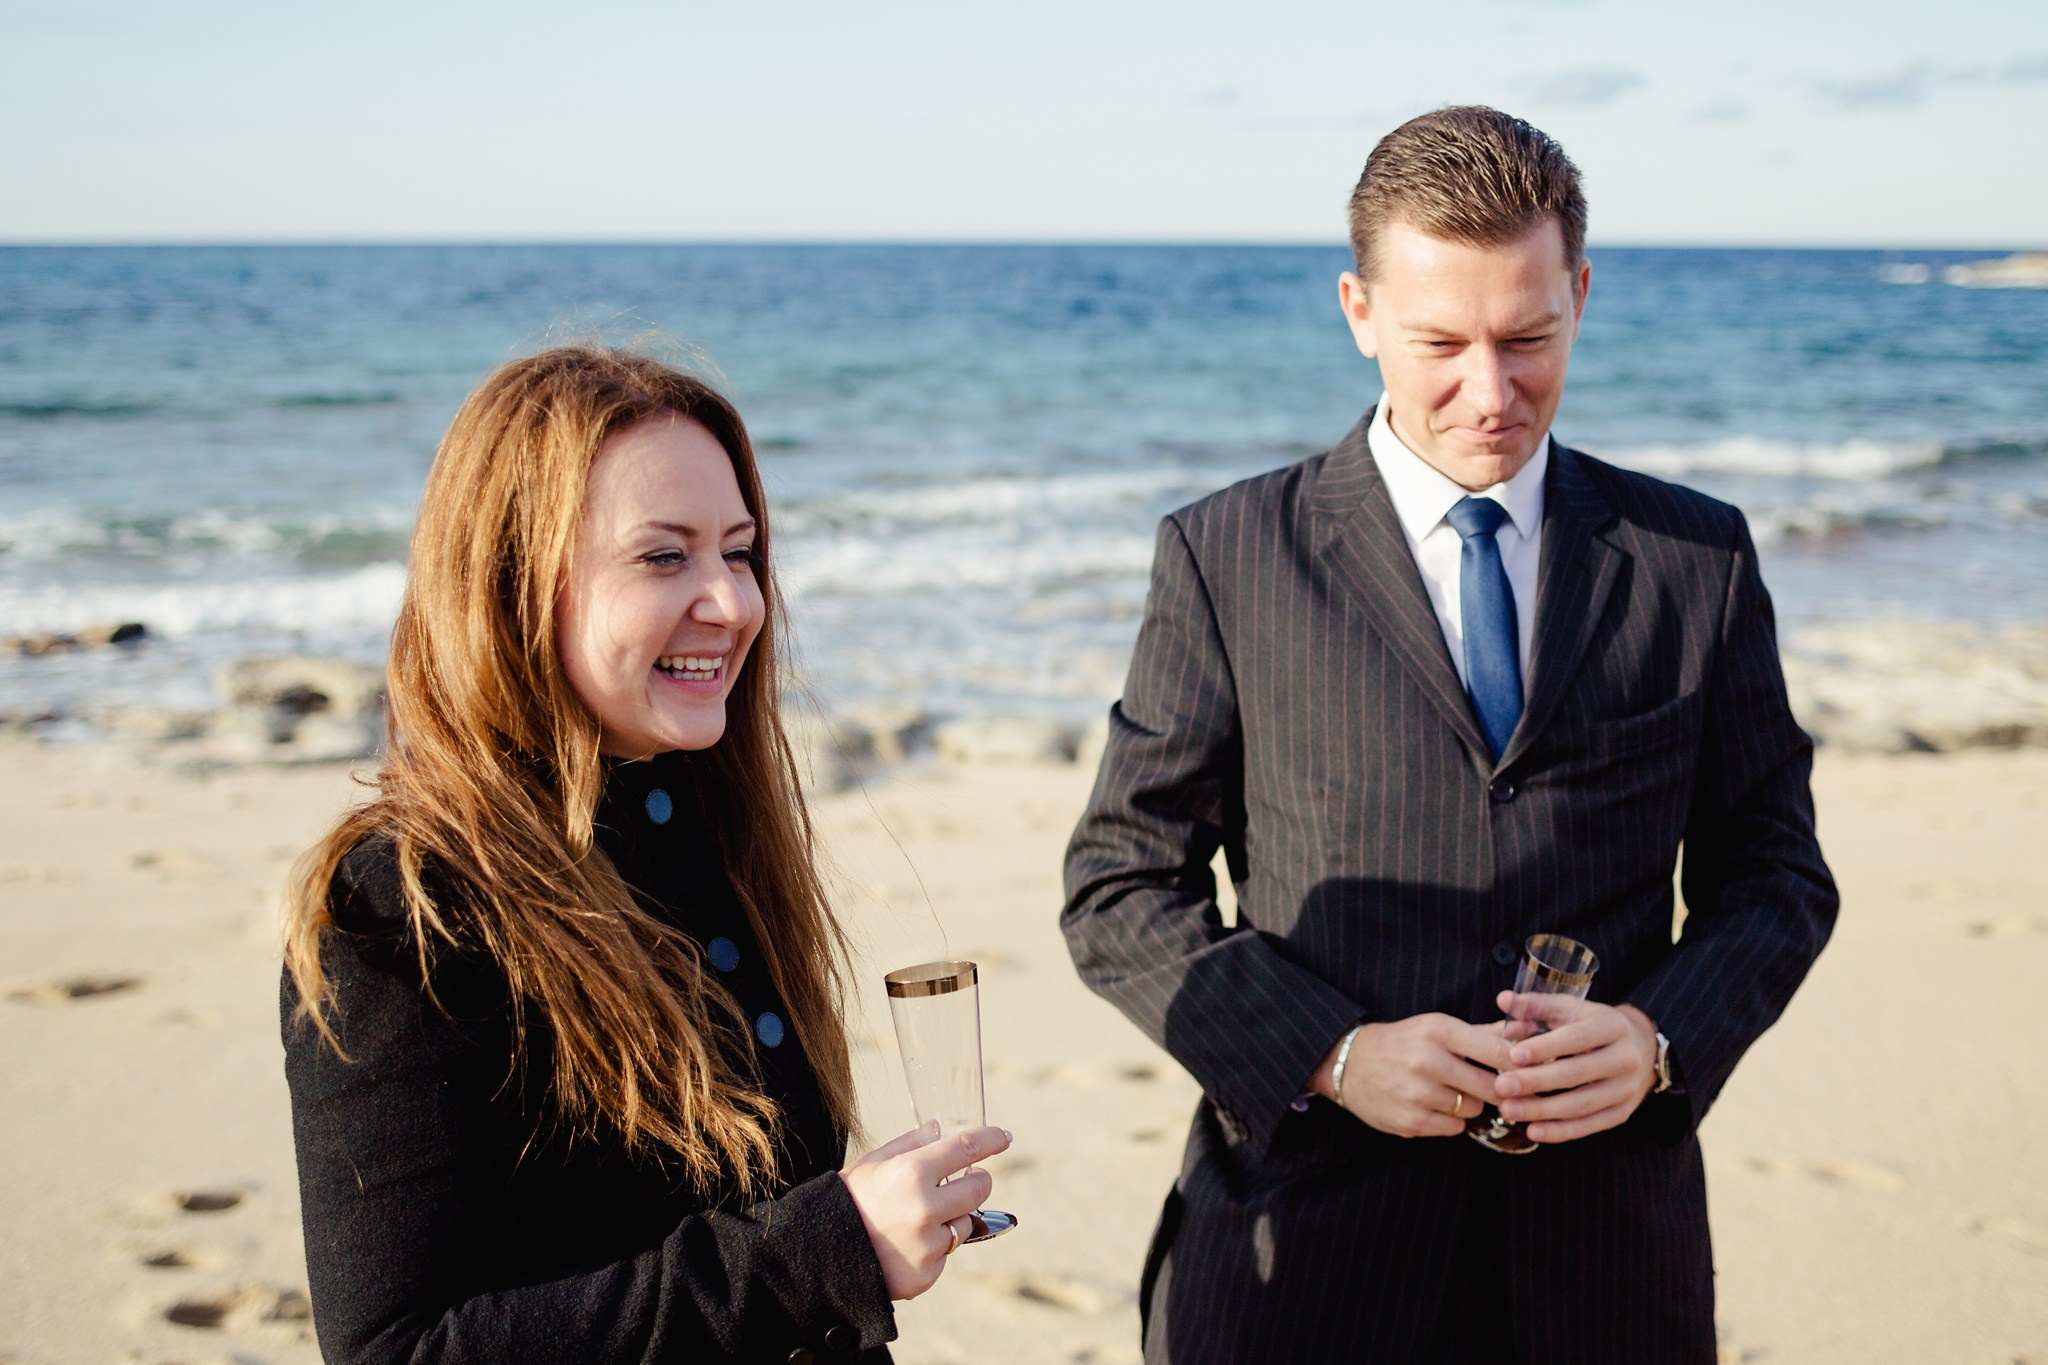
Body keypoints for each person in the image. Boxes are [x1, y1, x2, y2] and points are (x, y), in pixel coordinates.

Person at [1061, 106, 1837, 1363]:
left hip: (1605, 1270)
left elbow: (1773, 874)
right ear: (1357, 310)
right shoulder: (1224, 556)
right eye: (1439, 342)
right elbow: (1118, 887)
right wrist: (1329, 1053)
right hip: (1300, 1266)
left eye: (1528, 337)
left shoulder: (1695, 560)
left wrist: (1656, 1040)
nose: (1489, 392)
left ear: (1579, 294)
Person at [282, 345, 1009, 1364]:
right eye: (663, 557)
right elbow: (399, 1348)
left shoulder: (702, 818)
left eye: (740, 551)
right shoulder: (404, 905)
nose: (732, 602)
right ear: (512, 586)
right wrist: (822, 1249)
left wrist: (847, 1226)